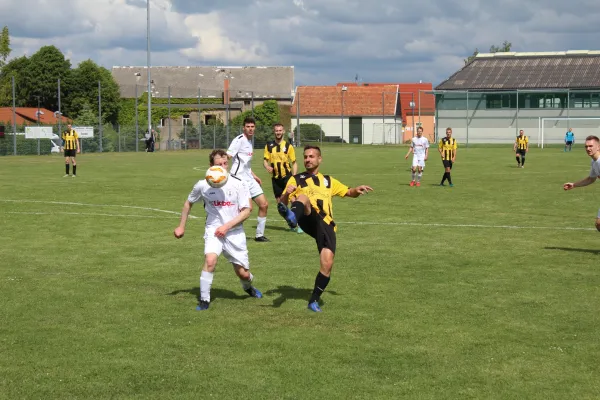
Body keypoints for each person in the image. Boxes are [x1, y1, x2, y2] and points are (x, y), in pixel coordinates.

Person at [277, 145, 373, 312]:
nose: (307, 159)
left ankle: (313, 300)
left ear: (319, 159)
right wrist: (286, 194)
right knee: (303, 197)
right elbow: (282, 204)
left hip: (326, 224)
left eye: (311, 156)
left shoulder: (328, 181)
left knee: (327, 265)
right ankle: (292, 219)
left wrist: (357, 190)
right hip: (308, 217)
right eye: (305, 156)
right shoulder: (296, 179)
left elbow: (348, 192)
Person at [173, 149, 263, 310]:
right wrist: (181, 226)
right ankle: (204, 300)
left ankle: (248, 286)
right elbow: (188, 203)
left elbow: (247, 211)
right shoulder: (202, 185)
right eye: (218, 164)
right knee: (210, 261)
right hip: (213, 231)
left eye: (224, 164)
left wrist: (227, 226)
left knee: (243, 273)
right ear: (210, 166)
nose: (222, 167)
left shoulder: (238, 183)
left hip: (234, 233)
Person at [227, 116, 270, 242]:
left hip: (249, 178)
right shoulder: (239, 140)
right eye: (248, 127)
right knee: (247, 209)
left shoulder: (251, 141)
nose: (250, 129)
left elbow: (245, 163)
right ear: (243, 128)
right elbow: (228, 156)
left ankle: (259, 235)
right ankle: (228, 229)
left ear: (254, 128)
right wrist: (218, 169)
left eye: (252, 127)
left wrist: (254, 175)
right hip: (239, 179)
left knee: (264, 205)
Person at [263, 122, 303, 233]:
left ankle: (299, 225)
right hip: (276, 179)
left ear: (283, 131)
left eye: (280, 130)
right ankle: (291, 223)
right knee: (281, 206)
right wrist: (267, 166)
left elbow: (294, 162)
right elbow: (265, 161)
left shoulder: (288, 146)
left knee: (293, 200)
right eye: (276, 130)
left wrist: (294, 177)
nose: (278, 132)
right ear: (274, 132)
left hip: (287, 177)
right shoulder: (269, 146)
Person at [563, 135, 600, 232]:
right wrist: (574, 185)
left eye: (591, 146)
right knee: (599, 224)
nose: (588, 148)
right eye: (586, 146)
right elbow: (591, 179)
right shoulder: (594, 161)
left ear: (598, 147)